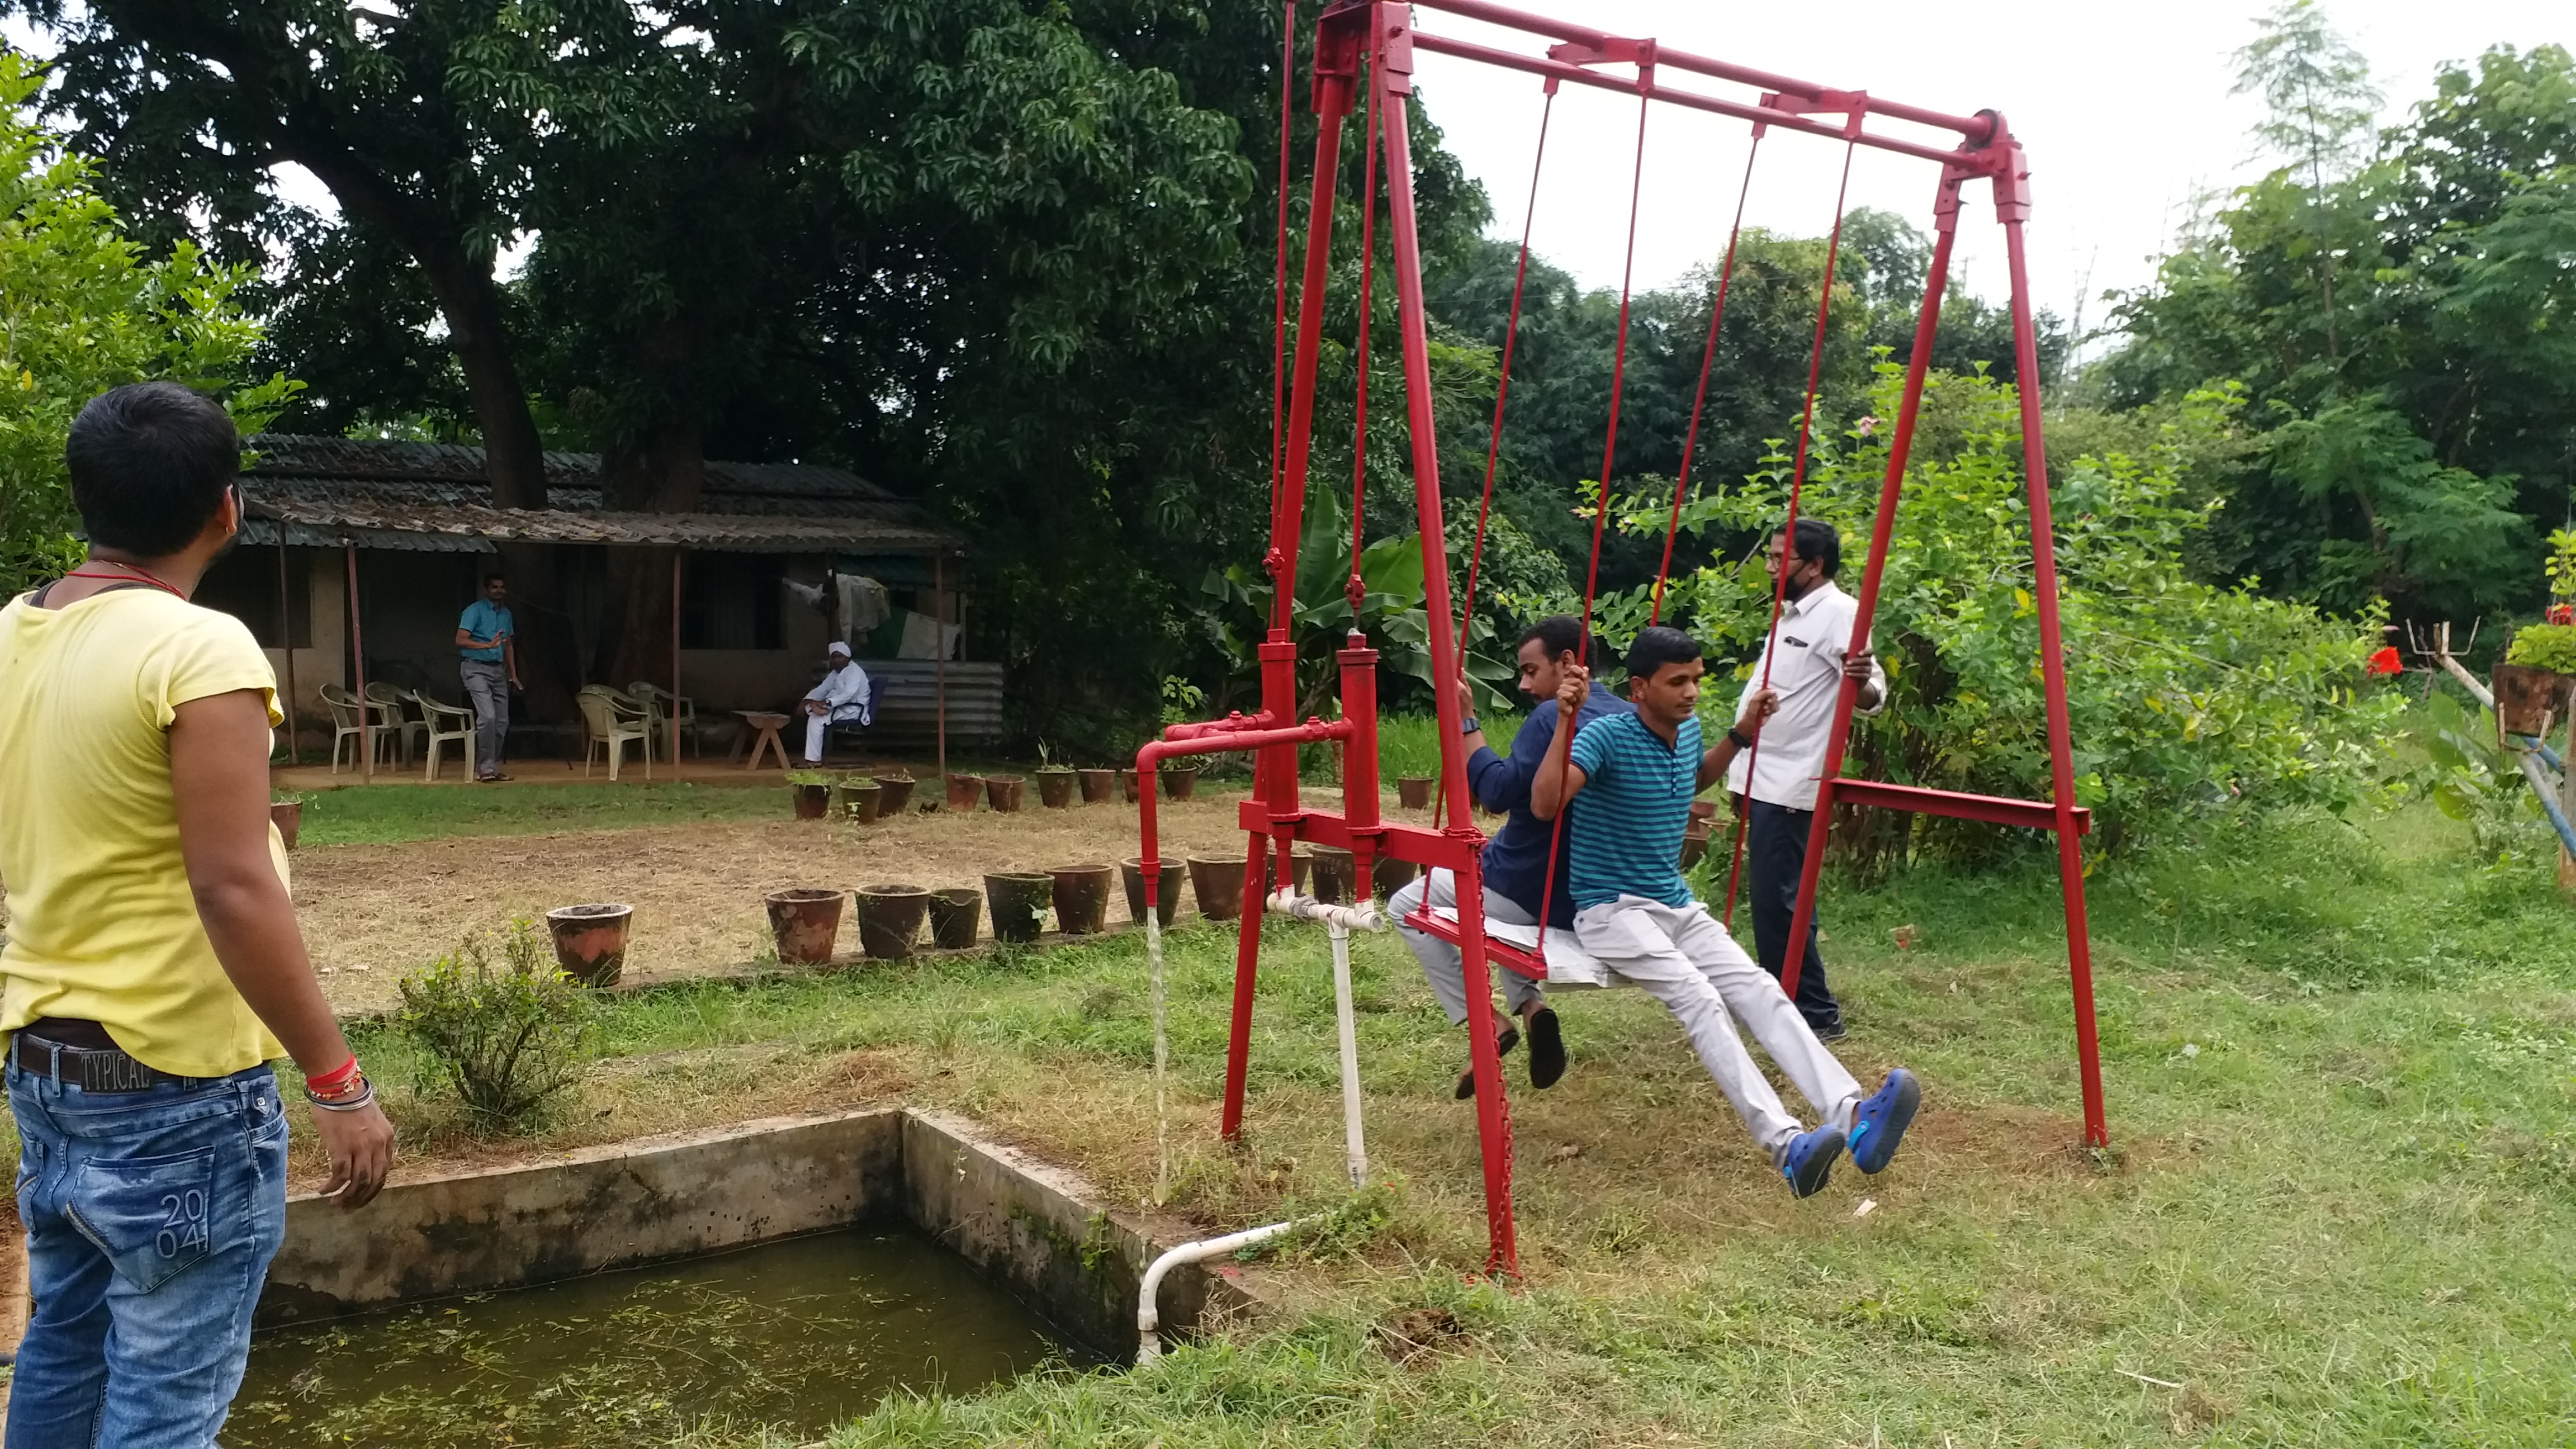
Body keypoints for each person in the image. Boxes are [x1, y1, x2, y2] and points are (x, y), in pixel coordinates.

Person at [0, 382, 397, 1445]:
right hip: (173, 1089)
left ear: (83, 497)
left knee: (66, 1349)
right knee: (168, 1402)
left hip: (46, 1069)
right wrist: (339, 1083)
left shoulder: (11, 636)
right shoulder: (199, 647)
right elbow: (232, 885)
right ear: (225, 508)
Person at [1532, 625, 1916, 1197]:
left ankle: (1852, 1116)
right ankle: (1787, 1146)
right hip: (1611, 911)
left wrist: (1741, 733)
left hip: (1674, 903)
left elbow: (1692, 779)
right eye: (1677, 682)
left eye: (1696, 680)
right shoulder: (1605, 736)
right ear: (1639, 687)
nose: (1691, 693)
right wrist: (1565, 720)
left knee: (1759, 988)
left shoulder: (1685, 733)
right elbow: (1545, 803)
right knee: (1700, 997)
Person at [1390, 616, 1631, 1098]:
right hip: (1584, 897)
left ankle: (1489, 1025)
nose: (1523, 684)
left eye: (1529, 670)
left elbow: (1497, 792)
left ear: (1567, 664)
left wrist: (1467, 720)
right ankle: (1533, 1011)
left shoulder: (1553, 718)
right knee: (1501, 911)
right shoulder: (1626, 717)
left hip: (1528, 886)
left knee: (1407, 906)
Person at [1727, 518, 1886, 1039]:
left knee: (1781, 900)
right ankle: (1781, 1001)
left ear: (1814, 566)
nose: (1771, 568)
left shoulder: (1840, 614)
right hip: (1762, 775)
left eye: (1780, 560)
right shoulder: (1793, 614)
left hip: (1794, 781)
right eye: (1770, 558)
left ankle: (1814, 1012)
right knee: (1774, 897)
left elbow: (1871, 692)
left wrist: (1861, 683)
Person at [454, 571, 522, 782]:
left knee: (502, 721)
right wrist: (487, 645)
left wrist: (514, 673)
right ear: (486, 590)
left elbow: (508, 644)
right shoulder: (474, 611)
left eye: (502, 587)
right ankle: (485, 770)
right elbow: (461, 639)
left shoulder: (506, 614)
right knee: (488, 717)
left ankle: (490, 767)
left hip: (497, 671)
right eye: (495, 587)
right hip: (475, 668)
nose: (499, 591)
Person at [799, 640, 872, 765]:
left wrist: (826, 702)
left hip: (853, 709)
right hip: (841, 706)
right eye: (834, 657)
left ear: (847, 657)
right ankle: (819, 711)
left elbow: (848, 695)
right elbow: (822, 689)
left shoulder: (855, 672)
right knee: (810, 709)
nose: (837, 660)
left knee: (816, 719)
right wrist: (806, 700)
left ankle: (813, 761)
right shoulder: (836, 673)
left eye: (840, 656)